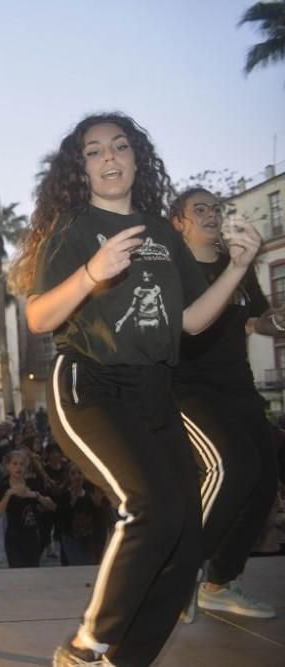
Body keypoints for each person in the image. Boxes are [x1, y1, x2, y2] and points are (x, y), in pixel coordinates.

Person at [11, 112, 261, 666]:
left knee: (186, 533)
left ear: (135, 159)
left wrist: (238, 268)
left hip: (154, 390)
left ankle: (126, 660)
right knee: (147, 506)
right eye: (95, 151)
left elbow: (192, 322)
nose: (109, 158)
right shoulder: (71, 231)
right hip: (89, 384)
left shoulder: (163, 234)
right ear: (81, 169)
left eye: (119, 147)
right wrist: (91, 274)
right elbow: (37, 317)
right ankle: (86, 644)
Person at [169, 188, 279, 621]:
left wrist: (278, 321)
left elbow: (256, 319)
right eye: (201, 209)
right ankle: (178, 574)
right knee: (231, 466)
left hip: (240, 386)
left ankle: (220, 582)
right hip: (188, 387)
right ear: (179, 220)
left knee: (264, 482)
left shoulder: (239, 263)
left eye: (217, 208)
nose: (212, 215)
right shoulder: (171, 268)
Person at [0, 450, 55, 568]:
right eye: (15, 464)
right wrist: (8, 494)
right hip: (13, 536)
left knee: (33, 570)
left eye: (22, 464)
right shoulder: (4, 486)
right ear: (8, 466)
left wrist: (35, 495)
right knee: (16, 572)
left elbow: (52, 506)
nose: (19, 467)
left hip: (32, 534)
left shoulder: (33, 483)